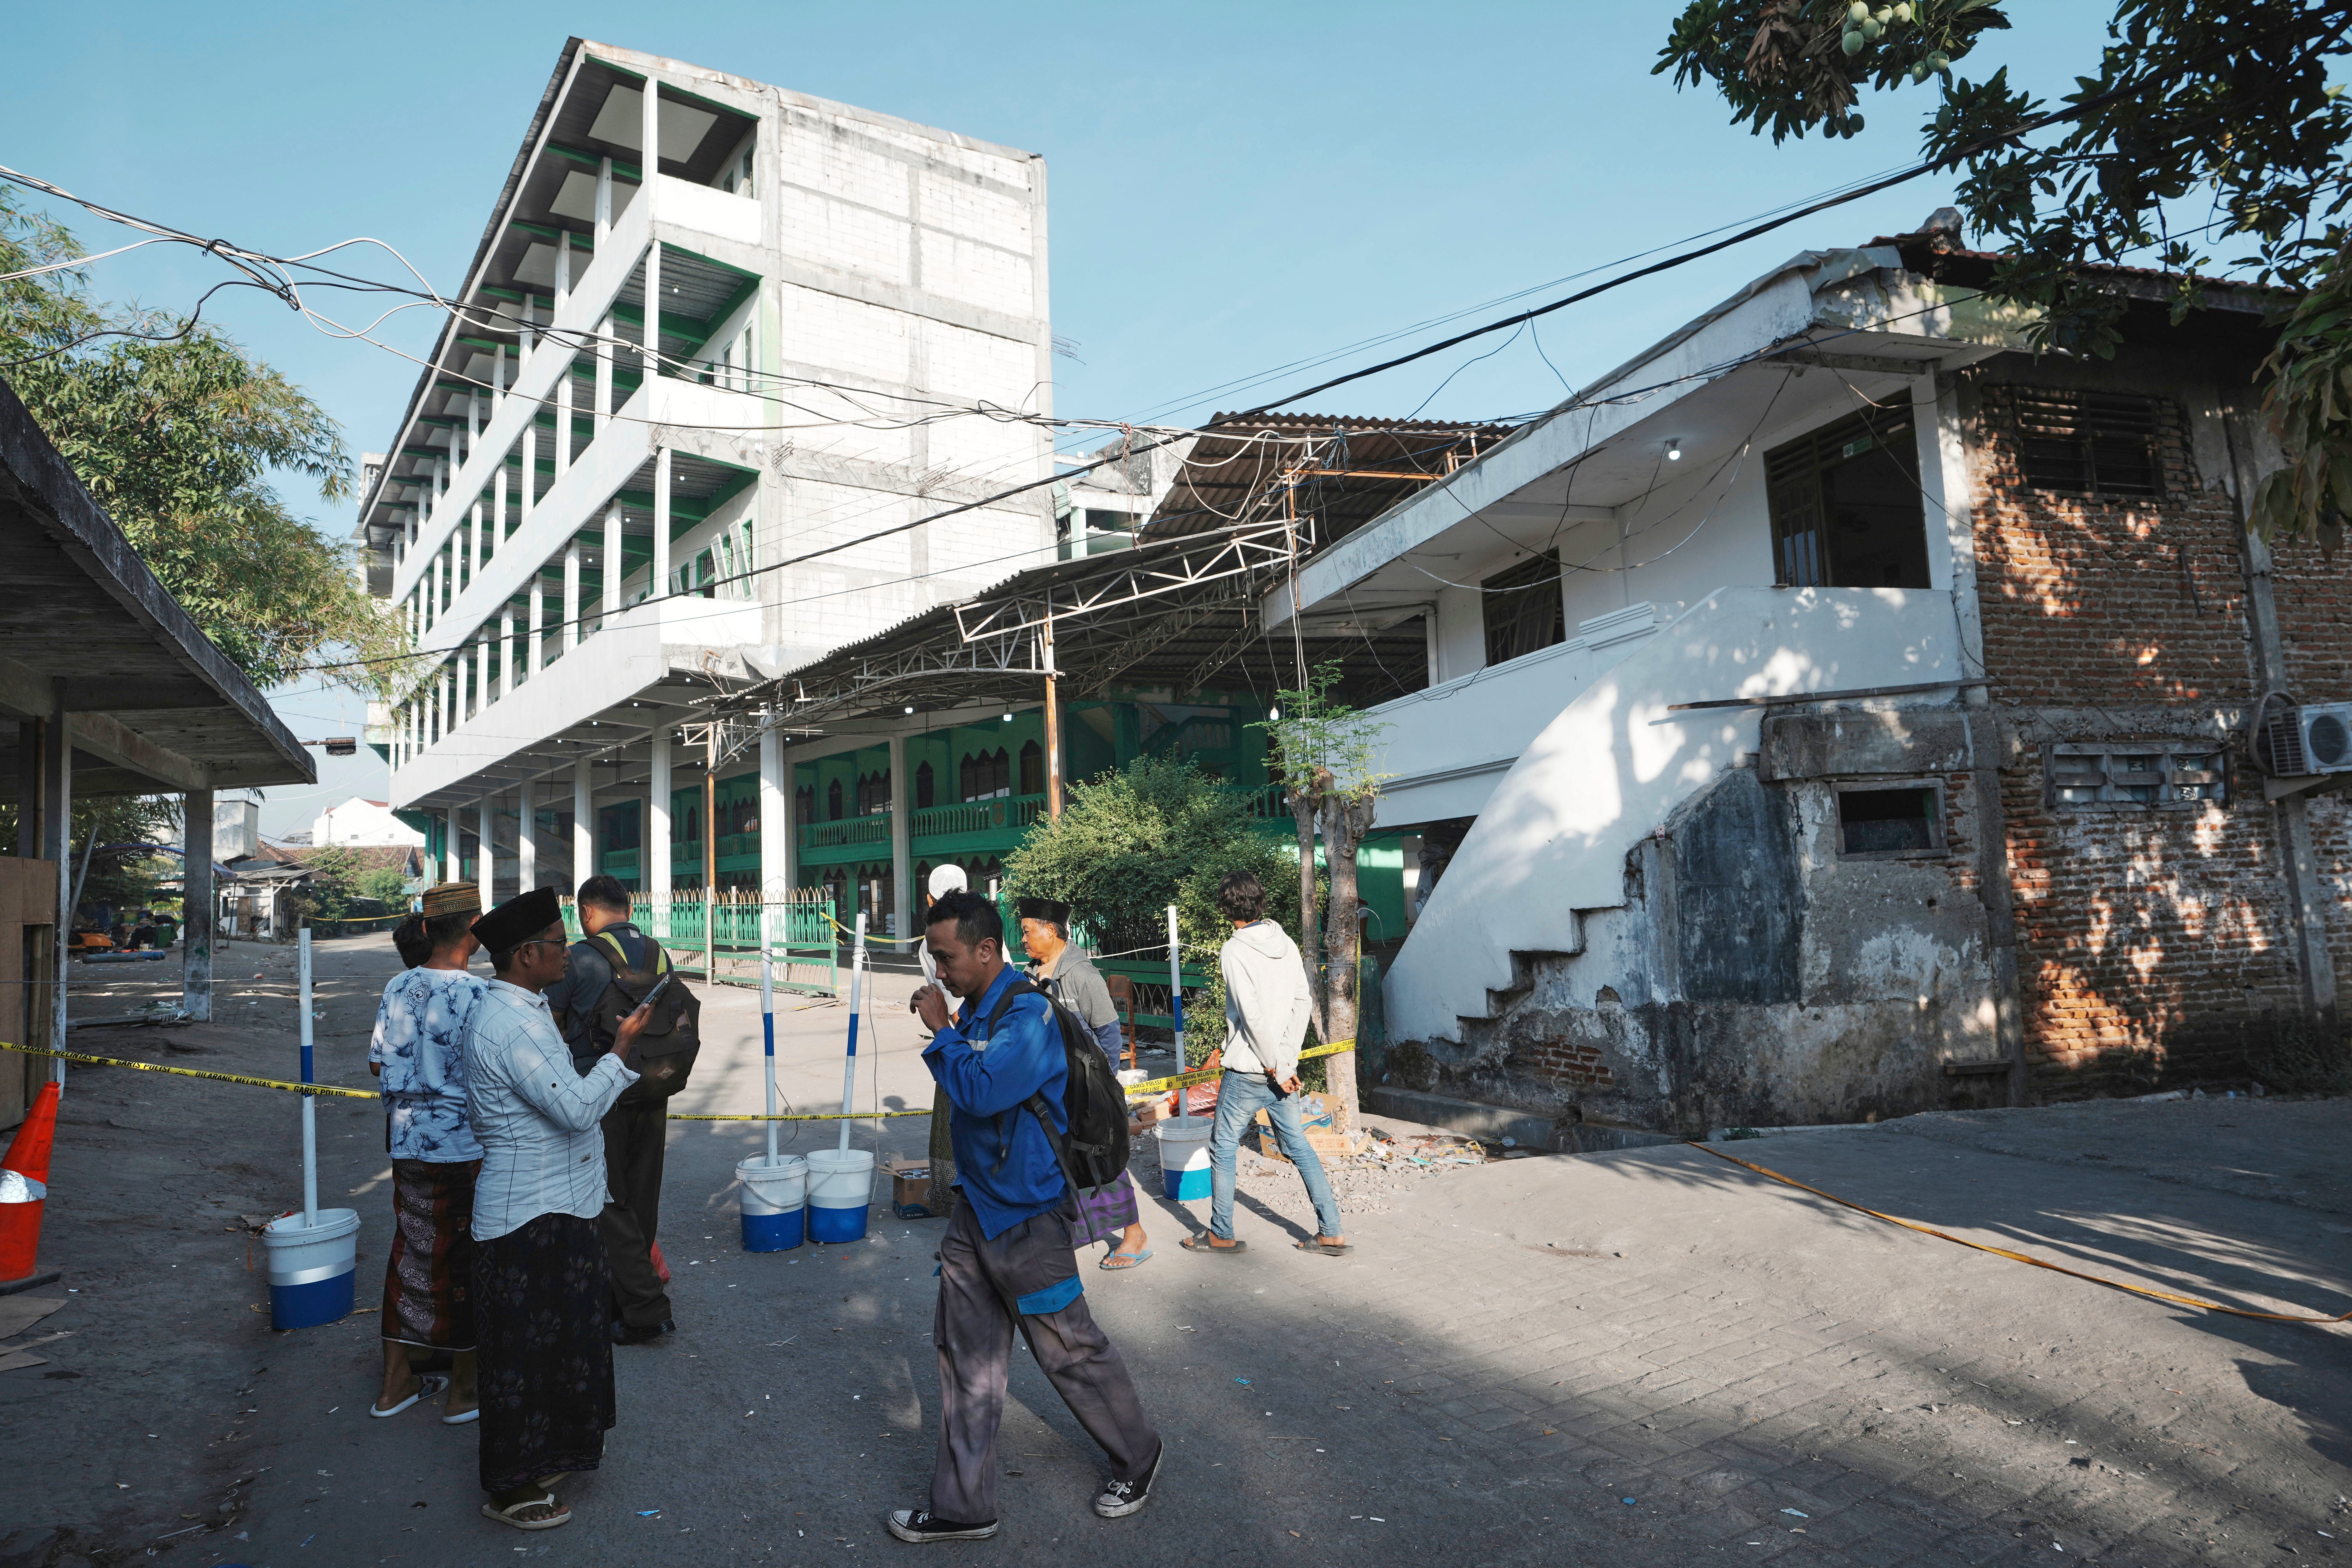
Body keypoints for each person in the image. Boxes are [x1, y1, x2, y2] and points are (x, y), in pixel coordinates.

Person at [891, 889, 1161, 1544]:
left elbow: (982, 1091)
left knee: (1068, 1349)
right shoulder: (979, 1009)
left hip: (1029, 1218)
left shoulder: (1028, 1016)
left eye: (946, 958)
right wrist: (954, 1029)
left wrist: (942, 1032)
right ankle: (963, 1506)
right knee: (965, 1358)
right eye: (933, 959)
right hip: (975, 1215)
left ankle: (1138, 1455)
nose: (938, 972)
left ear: (986, 950)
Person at [462, 886, 653, 1532]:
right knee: (525, 1357)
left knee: (561, 1345)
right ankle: (511, 1488)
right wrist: (620, 1050)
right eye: (556, 942)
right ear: (525, 955)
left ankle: (547, 1459)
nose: (568, 952)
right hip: (529, 1215)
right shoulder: (511, 1023)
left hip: (556, 1206)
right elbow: (574, 1108)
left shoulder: (525, 1007)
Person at [366, 882, 489, 1424]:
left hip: (407, 1142)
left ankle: (396, 1383)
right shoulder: (479, 994)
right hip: (462, 1147)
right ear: (474, 927)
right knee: (465, 1260)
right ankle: (464, 1389)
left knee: (411, 1251)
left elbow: (378, 1062)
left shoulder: (399, 984)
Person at [1182, 871, 1350, 1258]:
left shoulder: (1233, 950)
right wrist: (1286, 1061)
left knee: (1223, 1147)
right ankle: (1331, 1231)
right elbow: (1303, 1001)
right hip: (1281, 1071)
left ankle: (1221, 1233)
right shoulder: (1285, 941)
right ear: (1260, 902)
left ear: (1226, 909)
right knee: (1298, 1145)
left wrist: (1277, 1065)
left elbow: (1251, 1016)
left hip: (1249, 1070)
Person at [541, 874, 674, 1344]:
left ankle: (643, 1306)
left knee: (606, 1197)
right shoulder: (659, 952)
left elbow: (551, 1026)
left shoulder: (578, 957)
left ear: (586, 912)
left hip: (600, 1089)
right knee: (641, 1193)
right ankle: (626, 1293)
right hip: (654, 1085)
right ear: (628, 907)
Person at [1018, 897, 1150, 1271]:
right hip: (1048, 1088)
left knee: (1101, 1157)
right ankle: (1058, 1236)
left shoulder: (1083, 975)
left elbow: (1109, 1033)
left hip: (1085, 1091)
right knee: (1058, 1161)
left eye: (1027, 931)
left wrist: (1099, 1087)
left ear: (1051, 930)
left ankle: (1134, 1233)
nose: (1023, 939)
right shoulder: (1030, 974)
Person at [915, 864, 969, 1213]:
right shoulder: (979, 926)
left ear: (930, 900)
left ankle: (958, 1198)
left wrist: (955, 1043)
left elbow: (956, 1008)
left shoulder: (934, 940)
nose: (941, 969)